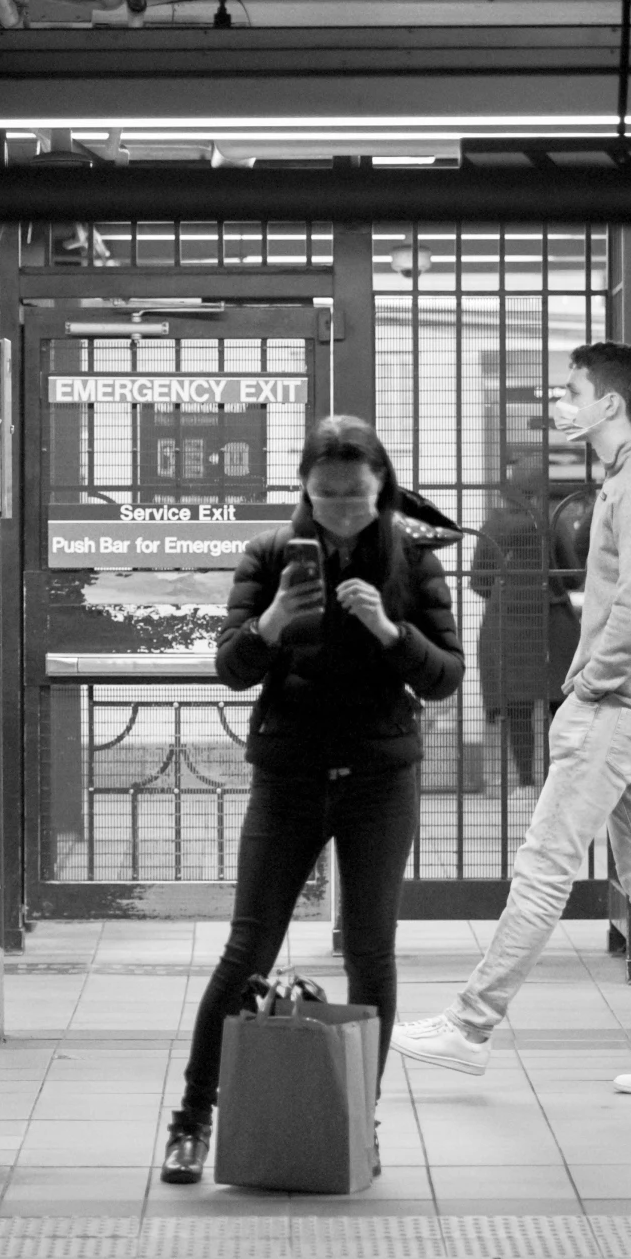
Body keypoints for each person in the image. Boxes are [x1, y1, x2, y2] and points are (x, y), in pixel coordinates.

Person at [160, 416, 465, 1183]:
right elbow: (230, 667)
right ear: (304, 486)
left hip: (378, 780)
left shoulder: (413, 560)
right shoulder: (269, 554)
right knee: (246, 951)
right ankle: (192, 1119)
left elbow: (445, 676)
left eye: (355, 496)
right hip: (290, 776)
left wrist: (389, 629)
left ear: (381, 487)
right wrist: (270, 620)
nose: (338, 509)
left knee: (372, 954)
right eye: (324, 494)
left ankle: (358, 1119)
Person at [390, 340, 631, 1095]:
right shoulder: (629, 475)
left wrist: (591, 687)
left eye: (572, 392)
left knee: (543, 866)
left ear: (611, 402)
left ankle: (471, 1024)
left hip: (616, 706)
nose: (560, 406)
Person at [468, 450, 579, 795]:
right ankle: (556, 782)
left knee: (517, 707)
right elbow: (573, 576)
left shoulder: (493, 526)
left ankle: (527, 782)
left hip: (506, 627)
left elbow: (477, 581)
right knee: (557, 706)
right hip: (553, 624)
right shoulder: (553, 522)